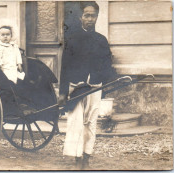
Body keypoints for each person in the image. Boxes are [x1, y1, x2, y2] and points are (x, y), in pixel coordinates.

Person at [58, 1, 115, 170]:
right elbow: (65, 66)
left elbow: (107, 65)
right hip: (76, 87)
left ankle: (87, 158)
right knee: (76, 122)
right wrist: (62, 93)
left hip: (95, 86)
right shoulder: (72, 39)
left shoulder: (102, 40)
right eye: (87, 15)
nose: (90, 19)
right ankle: (77, 159)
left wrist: (105, 86)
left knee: (91, 123)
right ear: (80, 17)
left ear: (97, 17)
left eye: (93, 15)